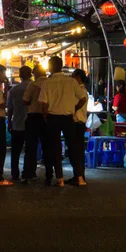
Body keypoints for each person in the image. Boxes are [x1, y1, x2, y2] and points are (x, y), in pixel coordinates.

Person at [39, 57, 87, 187]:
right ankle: (80, 178)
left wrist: (45, 117)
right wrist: (74, 109)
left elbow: (43, 105)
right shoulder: (71, 82)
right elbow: (82, 99)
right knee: (73, 147)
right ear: (61, 66)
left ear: (50, 67)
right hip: (68, 118)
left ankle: (60, 179)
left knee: (55, 148)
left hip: (53, 117)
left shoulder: (47, 83)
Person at [21, 65, 50, 183]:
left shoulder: (32, 85)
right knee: (48, 146)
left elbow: (25, 101)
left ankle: (29, 173)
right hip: (48, 117)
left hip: (34, 117)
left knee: (31, 147)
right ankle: (49, 174)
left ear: (35, 74)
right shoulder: (50, 83)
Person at [7, 66, 32, 182]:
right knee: (29, 151)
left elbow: (10, 108)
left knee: (15, 151)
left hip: (17, 123)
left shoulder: (13, 90)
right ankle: (27, 173)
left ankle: (14, 174)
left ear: (20, 75)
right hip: (31, 123)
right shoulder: (35, 88)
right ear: (30, 74)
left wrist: (9, 122)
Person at [70, 69, 89, 185]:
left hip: (77, 123)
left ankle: (79, 176)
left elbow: (75, 105)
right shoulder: (83, 91)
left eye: (73, 77)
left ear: (78, 77)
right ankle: (78, 175)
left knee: (75, 151)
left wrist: (73, 110)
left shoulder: (79, 91)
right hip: (80, 123)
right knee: (77, 151)